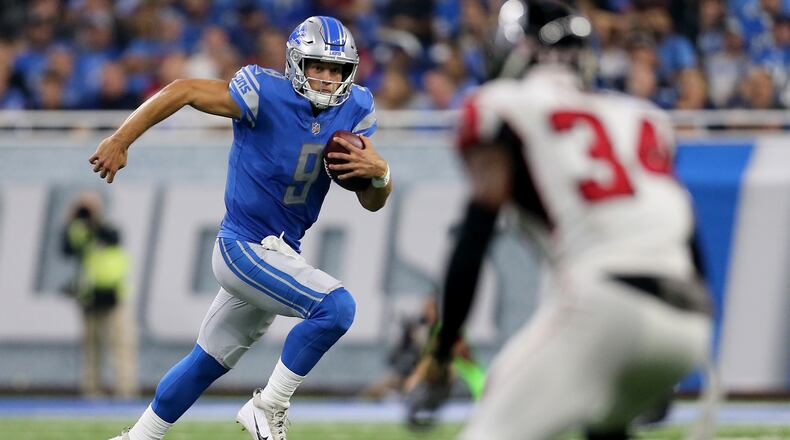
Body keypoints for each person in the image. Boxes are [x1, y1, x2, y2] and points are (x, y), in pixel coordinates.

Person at [407, 1, 712, 439]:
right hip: (688, 316)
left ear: (515, 50)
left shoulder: (501, 107)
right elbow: (687, 238)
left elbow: (473, 240)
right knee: (604, 423)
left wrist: (440, 355)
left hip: (605, 304)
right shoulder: (642, 116)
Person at [90, 16, 392, 440]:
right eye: (317, 67)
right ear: (295, 64)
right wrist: (121, 139)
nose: (326, 79)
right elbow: (183, 90)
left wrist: (380, 173)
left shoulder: (356, 108)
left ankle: (139, 436)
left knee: (206, 361)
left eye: (336, 70)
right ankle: (269, 406)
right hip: (243, 245)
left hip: (282, 252)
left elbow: (372, 201)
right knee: (336, 309)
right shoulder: (263, 93)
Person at [61, 192, 137, 399]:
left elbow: (110, 236)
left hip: (115, 295)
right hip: (91, 297)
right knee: (92, 346)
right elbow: (66, 248)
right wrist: (70, 220)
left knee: (120, 344)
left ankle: (125, 389)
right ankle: (91, 389)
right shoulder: (79, 232)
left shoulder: (108, 229)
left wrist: (95, 217)